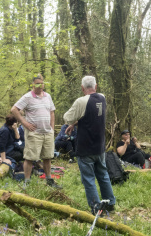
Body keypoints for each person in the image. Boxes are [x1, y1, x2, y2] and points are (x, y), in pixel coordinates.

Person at [63, 76, 116, 213]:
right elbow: (90, 115)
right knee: (103, 175)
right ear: (96, 86)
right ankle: (110, 203)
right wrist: (76, 123)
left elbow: (67, 117)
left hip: (85, 147)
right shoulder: (102, 98)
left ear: (82, 88)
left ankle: (96, 207)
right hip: (100, 147)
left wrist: (72, 122)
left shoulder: (81, 101)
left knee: (88, 179)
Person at [11, 74, 61, 188]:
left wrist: (52, 128)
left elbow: (52, 111)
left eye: (41, 83)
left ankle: (49, 180)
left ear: (43, 84)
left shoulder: (48, 96)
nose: (40, 86)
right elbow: (14, 109)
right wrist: (25, 123)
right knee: (29, 158)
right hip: (34, 133)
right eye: (37, 83)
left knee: (47, 157)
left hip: (47, 133)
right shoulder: (27, 97)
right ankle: (27, 182)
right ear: (33, 84)